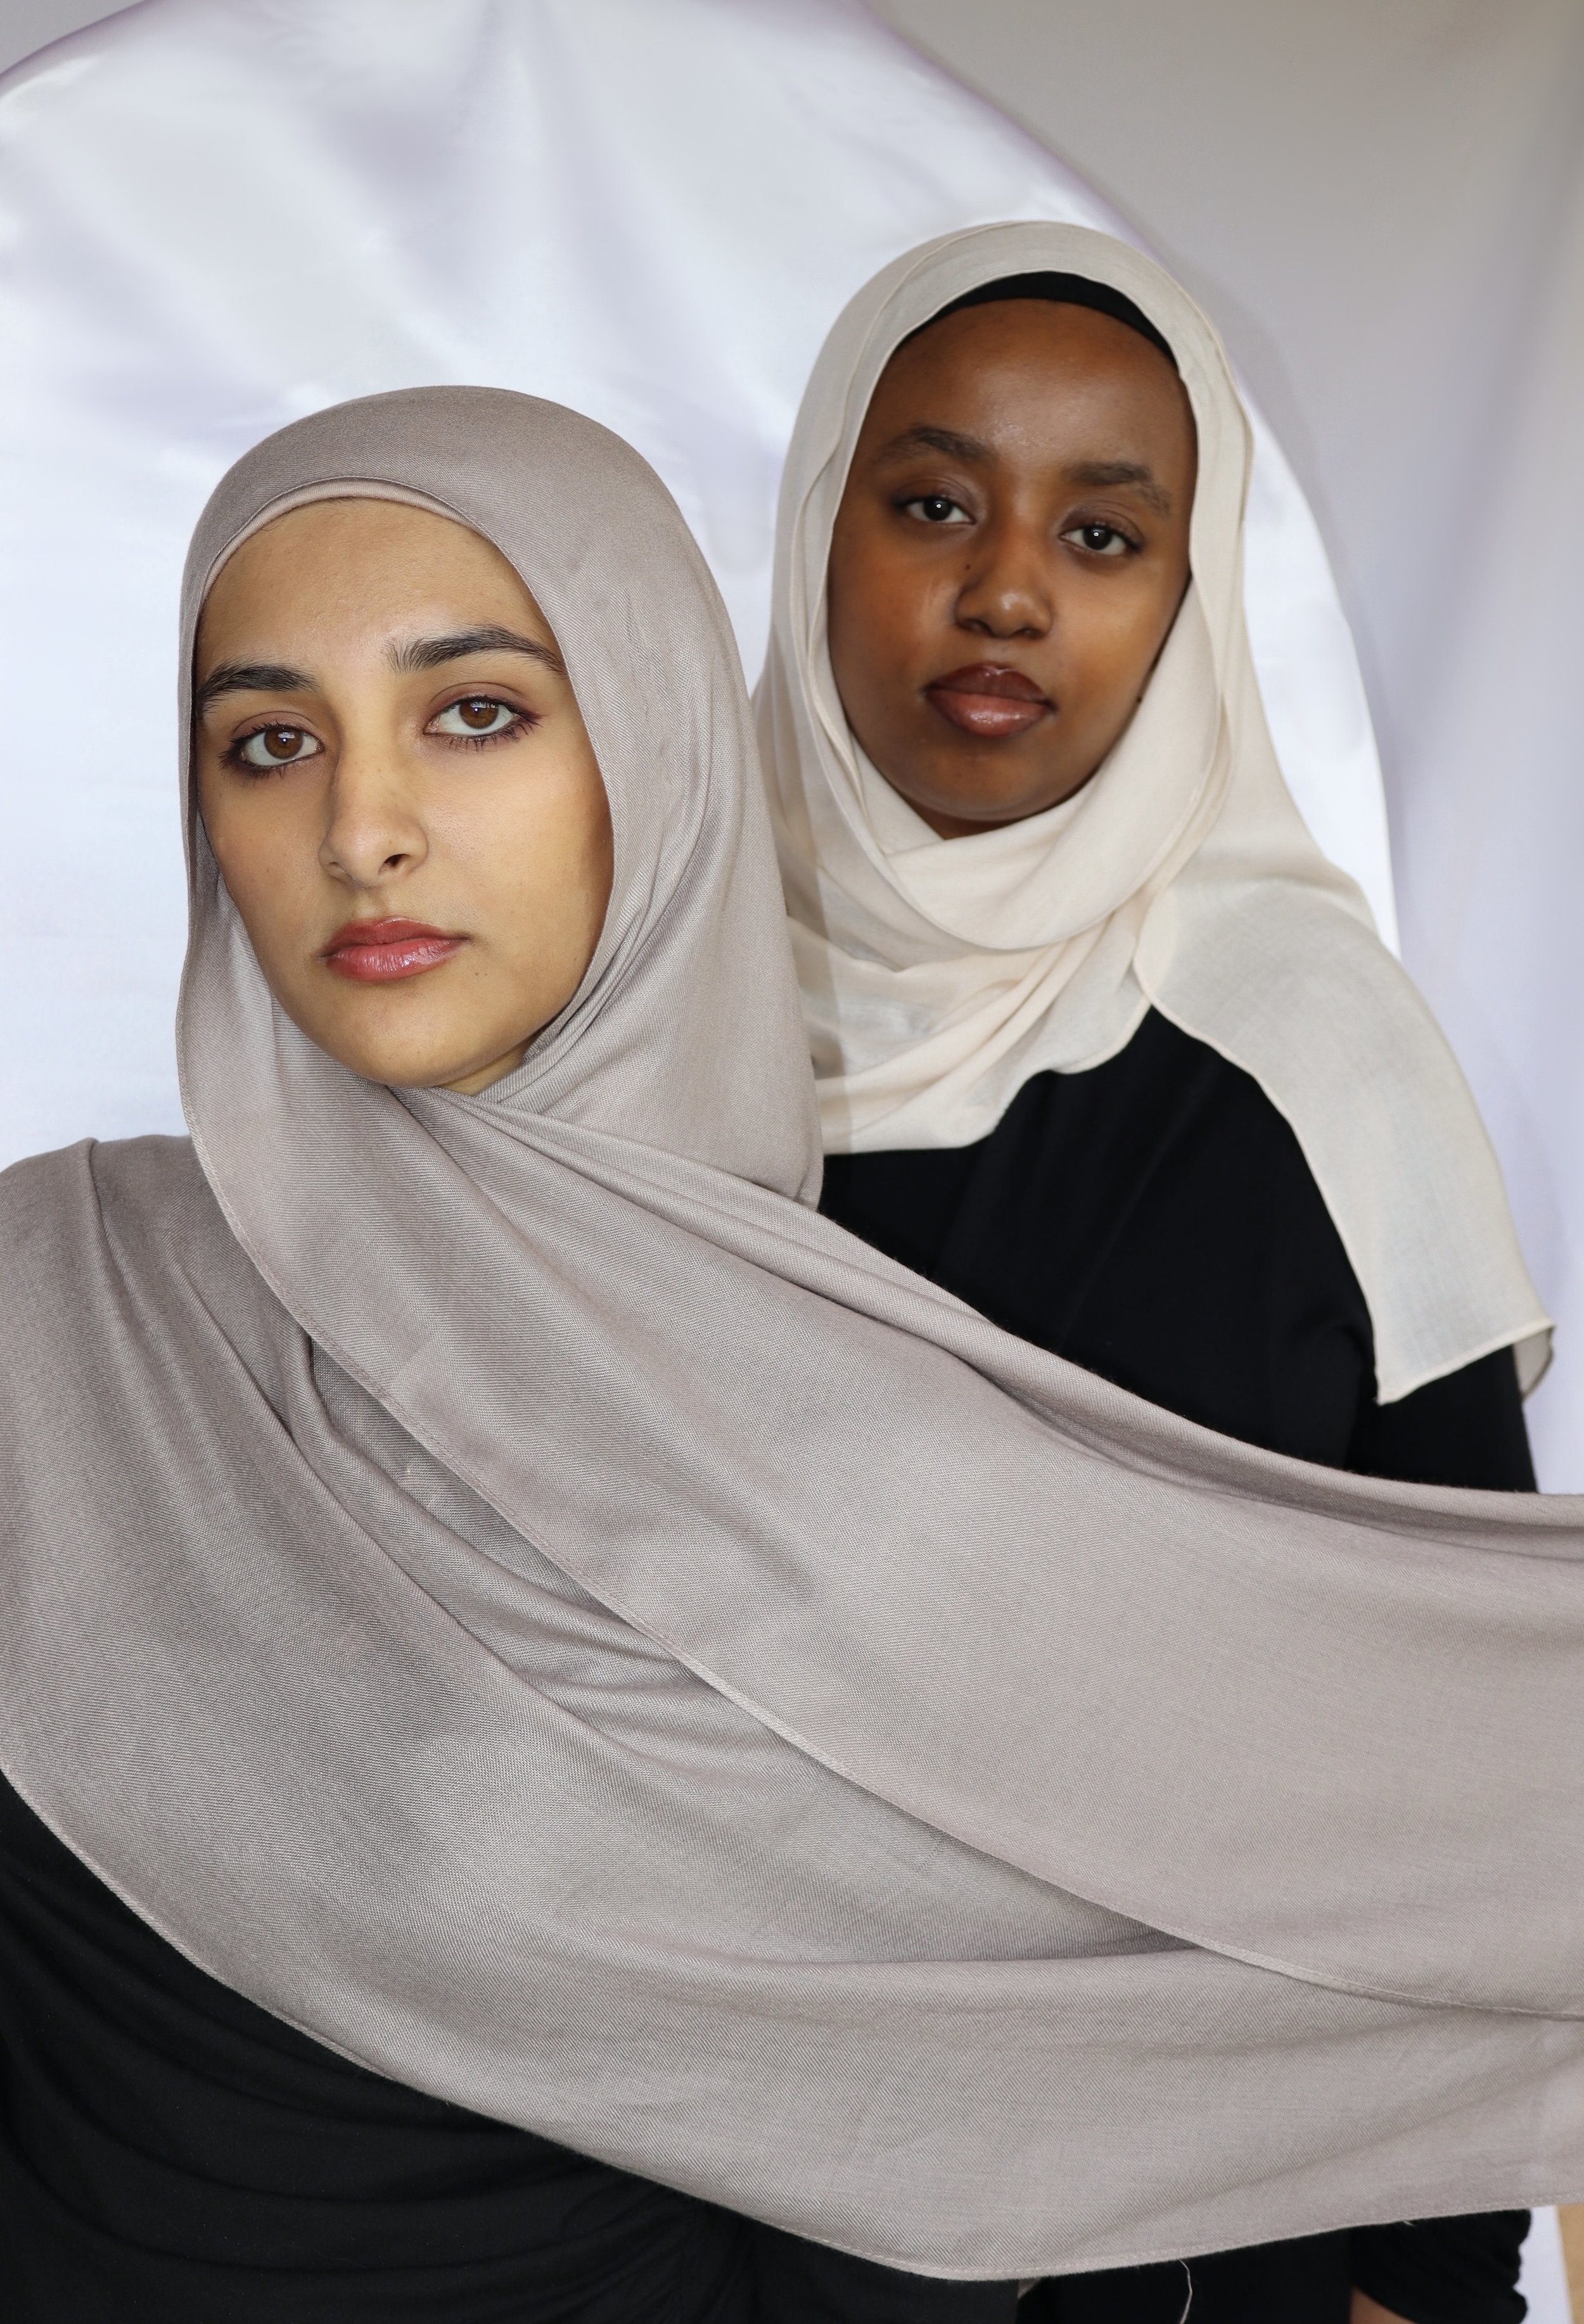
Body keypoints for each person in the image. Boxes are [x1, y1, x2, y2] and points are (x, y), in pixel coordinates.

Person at [3, 384, 1583, 2323]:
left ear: (655, 753)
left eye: (476, 712)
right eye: (268, 742)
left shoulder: (863, 1450)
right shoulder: (49, 1300)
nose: (363, 827)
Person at [756, 223, 1547, 2321]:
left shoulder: (1303, 1054)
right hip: (700, 2197)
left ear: (1190, 599)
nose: (1003, 587)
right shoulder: (652, 1025)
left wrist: (1431, 2274)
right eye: (930, 503)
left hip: (1188, 2241)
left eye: (1103, 532)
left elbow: (1465, 1749)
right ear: (810, 524)